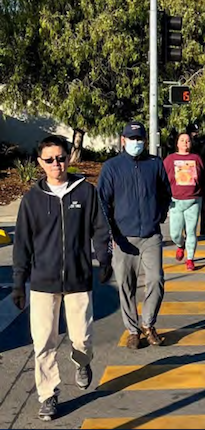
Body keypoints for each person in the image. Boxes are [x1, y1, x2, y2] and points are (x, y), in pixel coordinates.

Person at [12, 135, 112, 421]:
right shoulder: (32, 199)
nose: (56, 163)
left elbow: (100, 228)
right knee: (43, 342)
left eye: (61, 157)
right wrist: (19, 281)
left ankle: (82, 362)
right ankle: (48, 396)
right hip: (43, 283)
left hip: (78, 279)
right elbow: (22, 244)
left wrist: (104, 260)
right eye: (50, 159)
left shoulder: (85, 192)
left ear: (69, 158)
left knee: (82, 338)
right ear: (40, 163)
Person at [97, 121, 172, 350]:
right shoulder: (112, 167)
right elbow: (103, 202)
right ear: (123, 140)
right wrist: (110, 231)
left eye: (139, 139)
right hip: (123, 237)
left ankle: (148, 324)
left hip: (151, 235)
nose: (136, 143)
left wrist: (158, 215)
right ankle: (132, 330)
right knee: (126, 285)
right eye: (132, 139)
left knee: (156, 280)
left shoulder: (155, 163)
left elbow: (165, 193)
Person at [163, 132, 205, 271]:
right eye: (182, 140)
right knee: (175, 234)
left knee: (191, 232)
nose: (185, 143)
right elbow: (162, 179)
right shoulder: (170, 159)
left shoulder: (196, 159)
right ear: (177, 143)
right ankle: (180, 245)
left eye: (188, 140)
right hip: (175, 202)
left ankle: (190, 259)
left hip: (194, 201)